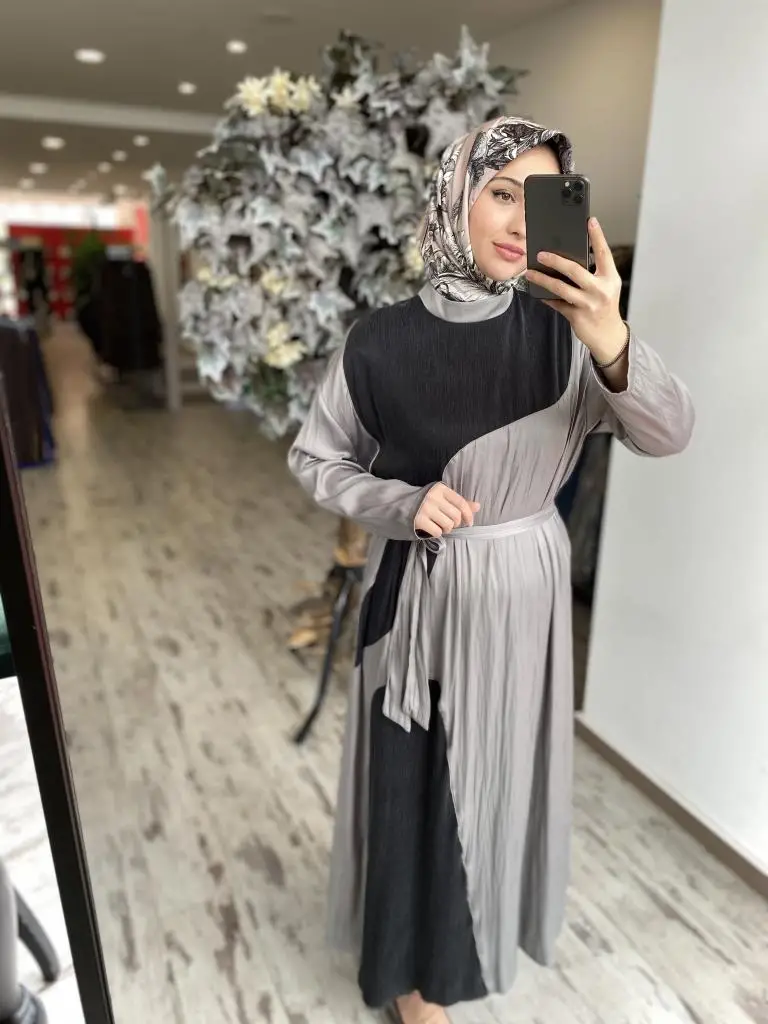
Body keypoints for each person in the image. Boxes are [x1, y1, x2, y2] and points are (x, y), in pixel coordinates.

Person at [287, 116, 694, 1024]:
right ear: (455, 197)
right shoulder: (377, 341)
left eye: (540, 199)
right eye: (502, 192)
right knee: (412, 782)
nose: (518, 221)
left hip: (522, 596)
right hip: (415, 595)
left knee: (493, 785)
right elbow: (317, 459)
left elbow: (670, 433)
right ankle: (412, 984)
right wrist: (400, 502)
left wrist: (613, 336)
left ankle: (459, 956)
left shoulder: (569, 338)